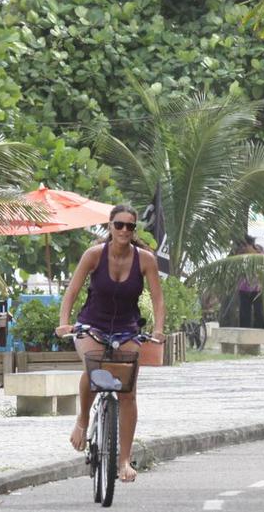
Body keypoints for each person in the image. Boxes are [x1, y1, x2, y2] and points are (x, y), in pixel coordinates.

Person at [55, 204, 165, 483]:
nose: (125, 230)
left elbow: (157, 298)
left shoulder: (145, 259)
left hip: (128, 328)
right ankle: (82, 421)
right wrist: (64, 322)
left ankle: (124, 460)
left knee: (127, 391)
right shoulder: (94, 255)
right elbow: (73, 290)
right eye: (119, 225)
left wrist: (160, 329)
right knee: (94, 368)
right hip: (93, 324)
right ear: (110, 227)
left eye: (130, 226)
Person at [237, 235, 264, 329]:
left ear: (250, 245)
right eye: (241, 246)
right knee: (244, 314)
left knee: (259, 312)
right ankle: (244, 332)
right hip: (243, 288)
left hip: (257, 289)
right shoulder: (240, 256)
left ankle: (259, 333)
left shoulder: (261, 255)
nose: (242, 248)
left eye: (244, 246)